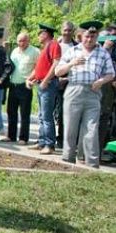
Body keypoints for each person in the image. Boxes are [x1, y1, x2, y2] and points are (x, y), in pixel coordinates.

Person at [55, 21, 115, 168]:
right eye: (87, 36)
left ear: (96, 38)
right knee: (70, 127)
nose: (89, 40)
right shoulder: (73, 51)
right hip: (74, 90)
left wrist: (100, 81)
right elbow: (57, 71)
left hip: (93, 92)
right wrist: (71, 64)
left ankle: (92, 163)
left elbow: (111, 74)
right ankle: (67, 159)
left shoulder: (102, 53)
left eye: (93, 37)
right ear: (82, 36)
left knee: (91, 128)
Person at [27, 24, 61, 155]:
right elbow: (40, 68)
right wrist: (30, 78)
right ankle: (42, 142)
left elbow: (56, 63)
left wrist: (46, 80)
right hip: (41, 84)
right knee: (41, 115)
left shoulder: (53, 44)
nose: (38, 36)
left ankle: (49, 144)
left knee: (47, 116)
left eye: (40, 33)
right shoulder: (44, 48)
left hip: (48, 85)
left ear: (46, 33)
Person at [5, 32, 39, 145]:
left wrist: (30, 78)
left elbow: (37, 67)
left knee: (24, 113)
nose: (21, 43)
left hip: (25, 85)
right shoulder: (14, 51)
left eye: (24, 40)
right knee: (11, 111)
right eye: (19, 41)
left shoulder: (34, 51)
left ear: (28, 40)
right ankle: (11, 136)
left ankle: (23, 138)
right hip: (13, 85)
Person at [56, 21, 78, 149]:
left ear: (73, 31)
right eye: (65, 30)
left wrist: (67, 78)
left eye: (70, 30)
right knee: (57, 113)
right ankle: (56, 138)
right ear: (61, 30)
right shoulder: (56, 45)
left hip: (71, 83)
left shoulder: (78, 46)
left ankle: (66, 140)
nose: (67, 32)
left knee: (69, 112)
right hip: (55, 82)